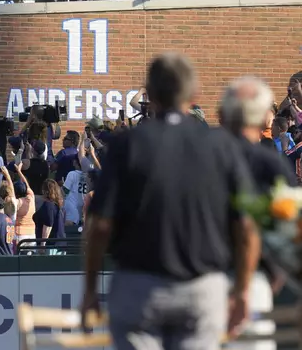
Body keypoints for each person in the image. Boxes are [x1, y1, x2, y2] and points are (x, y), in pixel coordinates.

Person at [81, 53, 260, 348]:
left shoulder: (128, 144)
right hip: (202, 288)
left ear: (149, 95)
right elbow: (246, 227)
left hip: (139, 287)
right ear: (194, 93)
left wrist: (89, 290)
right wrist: (242, 291)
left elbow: (100, 225)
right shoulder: (221, 146)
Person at [220, 76, 297, 294]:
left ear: (223, 116)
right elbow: (290, 225)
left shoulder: (201, 158)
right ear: (265, 117)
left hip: (206, 273)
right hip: (258, 276)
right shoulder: (271, 163)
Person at [33, 179, 67, 255]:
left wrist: (42, 245)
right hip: (61, 244)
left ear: (45, 191)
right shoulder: (60, 207)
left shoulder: (49, 205)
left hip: (50, 246)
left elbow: (47, 226)